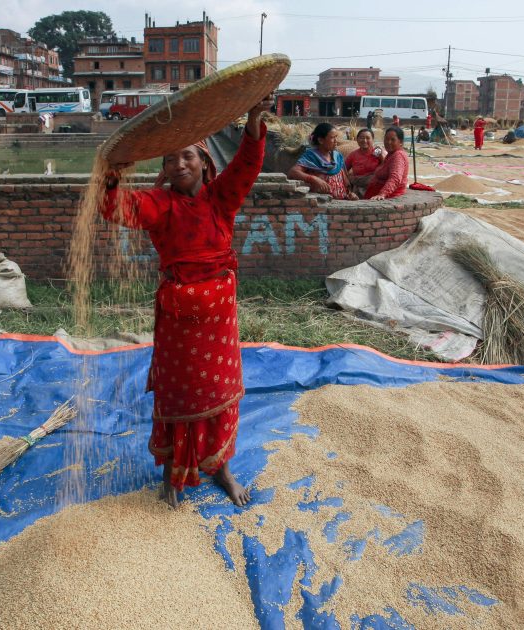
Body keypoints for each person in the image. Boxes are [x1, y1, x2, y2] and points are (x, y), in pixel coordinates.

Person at [98, 93, 275, 509]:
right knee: (178, 396)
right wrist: (112, 174)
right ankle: (171, 477)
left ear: (204, 161)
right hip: (179, 322)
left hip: (219, 321)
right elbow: (116, 208)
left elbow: (248, 166)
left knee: (220, 391)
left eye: (187, 157)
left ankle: (222, 469)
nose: (178, 165)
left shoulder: (221, 199)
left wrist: (252, 118)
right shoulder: (160, 205)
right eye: (169, 160)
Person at [288, 122, 358, 200]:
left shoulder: (337, 156)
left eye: (336, 137)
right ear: (321, 140)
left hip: (340, 204)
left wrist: (350, 194)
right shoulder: (311, 156)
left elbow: (345, 183)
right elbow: (293, 172)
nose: (336, 141)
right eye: (332, 138)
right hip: (321, 205)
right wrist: (314, 179)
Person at [364, 126, 409, 200]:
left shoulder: (398, 155)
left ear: (400, 142)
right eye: (386, 139)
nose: (388, 142)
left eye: (393, 140)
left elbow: (395, 178)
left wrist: (382, 194)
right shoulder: (390, 154)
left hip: (390, 195)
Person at [346, 128, 385, 197]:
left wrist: (381, 155)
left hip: (375, 187)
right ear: (357, 139)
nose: (364, 140)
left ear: (372, 140)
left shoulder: (377, 152)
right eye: (361, 138)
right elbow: (344, 170)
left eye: (368, 138)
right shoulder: (353, 155)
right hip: (358, 189)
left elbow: (385, 167)